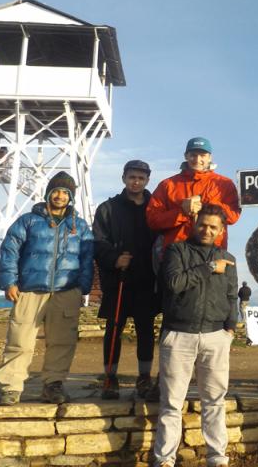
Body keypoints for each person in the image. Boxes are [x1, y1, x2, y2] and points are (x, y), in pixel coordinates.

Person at [0, 172, 94, 405]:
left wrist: (83, 288)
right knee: (19, 339)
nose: (60, 196)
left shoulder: (79, 227)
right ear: (48, 193)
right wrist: (9, 282)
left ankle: (53, 384)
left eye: (65, 193)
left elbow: (87, 258)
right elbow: (10, 251)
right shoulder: (27, 221)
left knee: (62, 341)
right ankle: (11, 386)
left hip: (66, 291)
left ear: (71, 197)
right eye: (56, 191)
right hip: (29, 290)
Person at [153, 205, 238, 467]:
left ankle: (217, 458)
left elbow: (231, 295)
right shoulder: (177, 251)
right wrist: (210, 267)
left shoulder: (229, 258)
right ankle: (165, 460)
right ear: (194, 223)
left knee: (214, 401)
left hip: (216, 336)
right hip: (179, 334)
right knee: (171, 402)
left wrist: (230, 328)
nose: (207, 230)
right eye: (203, 224)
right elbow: (175, 283)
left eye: (214, 227)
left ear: (221, 230)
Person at [93, 160, 158, 400]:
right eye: (132, 177)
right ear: (124, 178)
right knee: (114, 329)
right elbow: (98, 242)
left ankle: (144, 378)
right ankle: (110, 378)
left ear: (147, 180)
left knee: (145, 330)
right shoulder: (108, 208)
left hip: (146, 279)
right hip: (117, 280)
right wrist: (114, 259)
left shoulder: (155, 206)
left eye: (141, 178)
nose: (136, 181)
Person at [146, 137, 241, 255]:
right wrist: (182, 212)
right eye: (193, 155)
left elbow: (233, 216)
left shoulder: (225, 184)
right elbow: (153, 221)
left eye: (202, 155)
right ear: (186, 156)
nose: (197, 159)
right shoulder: (167, 185)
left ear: (210, 157)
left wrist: (204, 201)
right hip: (175, 255)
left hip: (213, 253)